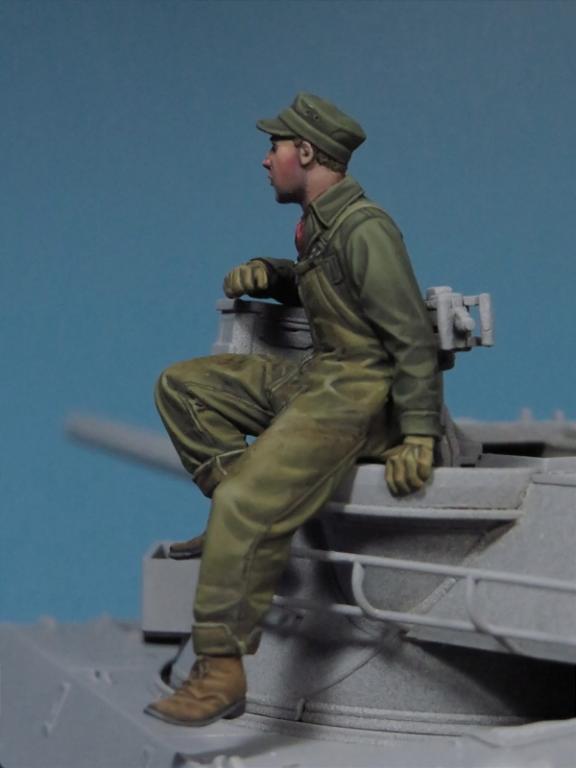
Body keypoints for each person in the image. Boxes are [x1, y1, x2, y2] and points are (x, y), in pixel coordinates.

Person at [145, 93, 442, 727]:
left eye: (274, 147)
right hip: (318, 375)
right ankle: (246, 524)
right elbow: (327, 284)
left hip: (358, 392)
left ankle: (221, 668)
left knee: (241, 501)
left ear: (305, 152)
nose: (265, 160)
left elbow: (412, 336)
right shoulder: (319, 225)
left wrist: (417, 432)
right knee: (182, 386)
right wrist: (272, 275)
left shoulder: (365, 229)